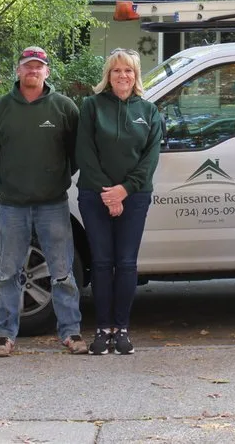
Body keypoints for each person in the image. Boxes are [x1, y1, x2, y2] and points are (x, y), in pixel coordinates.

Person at [0, 46, 85, 356]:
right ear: (18, 70)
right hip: (13, 204)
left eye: (38, 66)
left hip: (52, 202)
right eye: (27, 65)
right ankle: (4, 334)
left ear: (47, 72)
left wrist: (53, 177)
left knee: (63, 271)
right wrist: (14, 179)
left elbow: (75, 155)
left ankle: (70, 331)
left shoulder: (65, 108)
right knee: (9, 272)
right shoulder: (0, 109)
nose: (33, 71)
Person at [76, 48, 162, 355]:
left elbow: (150, 159)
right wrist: (108, 193)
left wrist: (124, 191)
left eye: (128, 71)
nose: (122, 76)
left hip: (135, 197)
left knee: (126, 263)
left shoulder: (149, 111)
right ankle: (102, 329)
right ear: (108, 75)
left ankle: (122, 329)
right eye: (116, 71)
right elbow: (84, 153)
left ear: (136, 75)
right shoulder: (91, 106)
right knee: (100, 263)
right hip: (94, 196)